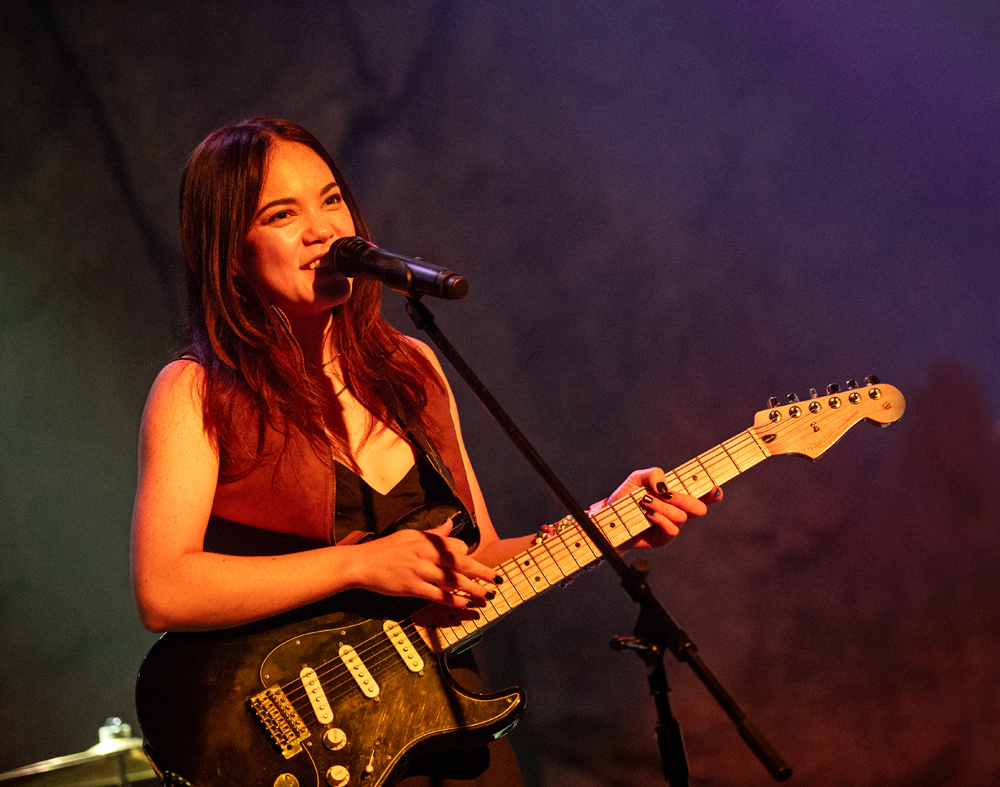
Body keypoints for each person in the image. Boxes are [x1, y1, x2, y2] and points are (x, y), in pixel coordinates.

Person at [130, 117, 719, 786]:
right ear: (229, 251)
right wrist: (358, 565)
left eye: (331, 199)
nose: (323, 228)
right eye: (282, 214)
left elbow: (480, 557)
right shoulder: (197, 390)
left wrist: (607, 522)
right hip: (301, 750)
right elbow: (164, 589)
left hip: (446, 723)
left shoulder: (411, 368)